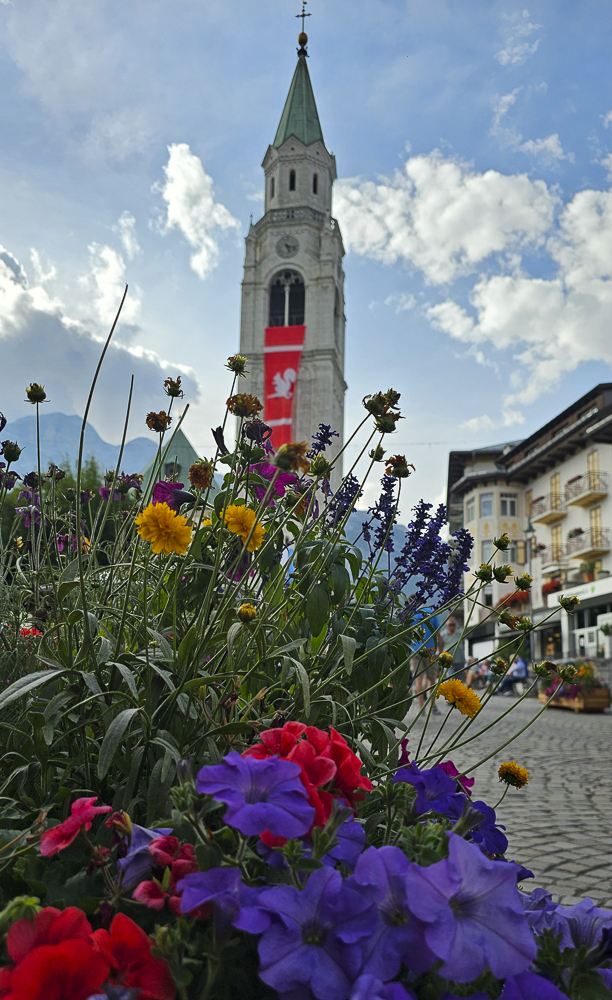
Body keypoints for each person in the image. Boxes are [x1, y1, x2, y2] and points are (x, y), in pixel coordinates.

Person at [410, 608, 441, 712]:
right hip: (430, 651)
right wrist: (441, 651)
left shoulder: (412, 614)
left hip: (415, 651)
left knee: (418, 680)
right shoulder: (432, 613)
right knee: (432, 680)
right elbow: (438, 634)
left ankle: (421, 707)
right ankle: (433, 705)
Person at [438, 616, 466, 681]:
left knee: (459, 680)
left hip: (460, 660)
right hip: (448, 661)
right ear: (447, 625)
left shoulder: (459, 633)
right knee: (450, 679)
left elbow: (463, 644)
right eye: (450, 625)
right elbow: (440, 646)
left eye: (453, 625)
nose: (452, 626)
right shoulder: (443, 634)